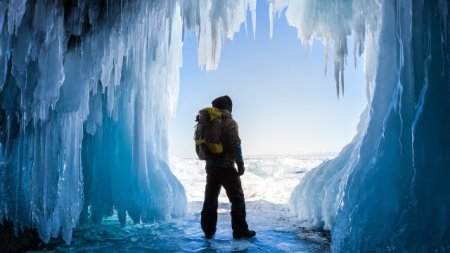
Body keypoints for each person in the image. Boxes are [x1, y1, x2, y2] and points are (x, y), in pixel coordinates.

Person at [200, 95, 256, 240]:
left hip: (211, 167)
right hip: (226, 167)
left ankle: (208, 232)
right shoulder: (230, 122)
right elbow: (235, 144)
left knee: (210, 199)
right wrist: (241, 164)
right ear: (228, 107)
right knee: (237, 199)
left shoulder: (208, 122)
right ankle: (240, 232)